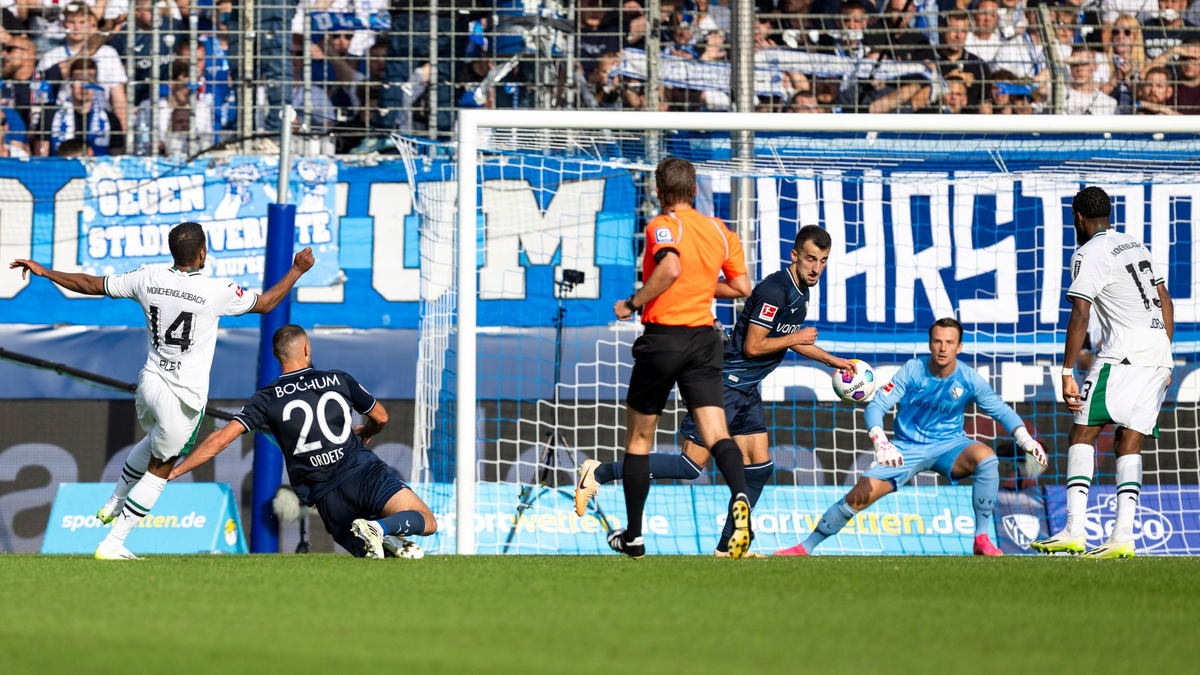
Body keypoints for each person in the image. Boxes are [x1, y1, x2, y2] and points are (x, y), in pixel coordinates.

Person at [9, 223, 315, 560]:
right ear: (202, 253)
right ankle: (112, 544)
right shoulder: (218, 290)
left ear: (174, 252)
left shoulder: (148, 277)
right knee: (162, 467)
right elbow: (269, 303)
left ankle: (114, 500)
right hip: (183, 398)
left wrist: (44, 271)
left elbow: (88, 284)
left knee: (154, 440)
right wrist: (296, 269)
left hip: (149, 383)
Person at [576, 226, 857, 557]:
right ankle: (600, 472)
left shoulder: (800, 292)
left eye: (823, 261)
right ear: (794, 255)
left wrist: (831, 360)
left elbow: (791, 337)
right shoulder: (774, 291)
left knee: (760, 468)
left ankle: (727, 546)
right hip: (726, 384)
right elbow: (754, 347)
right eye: (811, 259)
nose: (816, 268)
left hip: (747, 389)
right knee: (689, 466)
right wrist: (795, 338)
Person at [775, 317, 1048, 557]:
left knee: (987, 459)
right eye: (938, 341)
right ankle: (805, 547)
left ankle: (981, 537)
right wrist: (881, 441)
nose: (943, 348)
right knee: (857, 497)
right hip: (905, 450)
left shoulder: (969, 379)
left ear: (959, 347)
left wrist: (1026, 440)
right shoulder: (912, 370)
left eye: (950, 342)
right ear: (930, 344)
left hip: (950, 447)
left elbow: (1000, 409)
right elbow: (877, 406)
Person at [169, 325, 437, 558]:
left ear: (276, 355)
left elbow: (221, 440)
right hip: (363, 472)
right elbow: (381, 417)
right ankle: (381, 529)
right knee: (426, 521)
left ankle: (382, 536)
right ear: (307, 349)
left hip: (327, 497)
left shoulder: (266, 397)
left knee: (373, 558)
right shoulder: (338, 379)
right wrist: (366, 430)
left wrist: (176, 470)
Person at [606, 156, 753, 559]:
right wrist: (704, 287)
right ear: (693, 189)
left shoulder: (663, 225)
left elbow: (669, 267)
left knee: (639, 439)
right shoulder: (720, 230)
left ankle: (633, 535)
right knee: (716, 432)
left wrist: (633, 302)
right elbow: (741, 285)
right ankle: (740, 497)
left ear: (659, 192)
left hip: (665, 339)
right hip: (705, 341)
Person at [1032, 186, 1174, 558]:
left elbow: (1080, 313)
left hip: (1123, 355)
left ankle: (1074, 530)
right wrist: (1167, 353)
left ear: (1078, 218)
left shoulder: (1088, 253)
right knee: (1130, 440)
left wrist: (1066, 372)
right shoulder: (1133, 244)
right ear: (1108, 215)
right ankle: (1123, 537)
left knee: (1082, 431)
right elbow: (1164, 299)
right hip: (1158, 354)